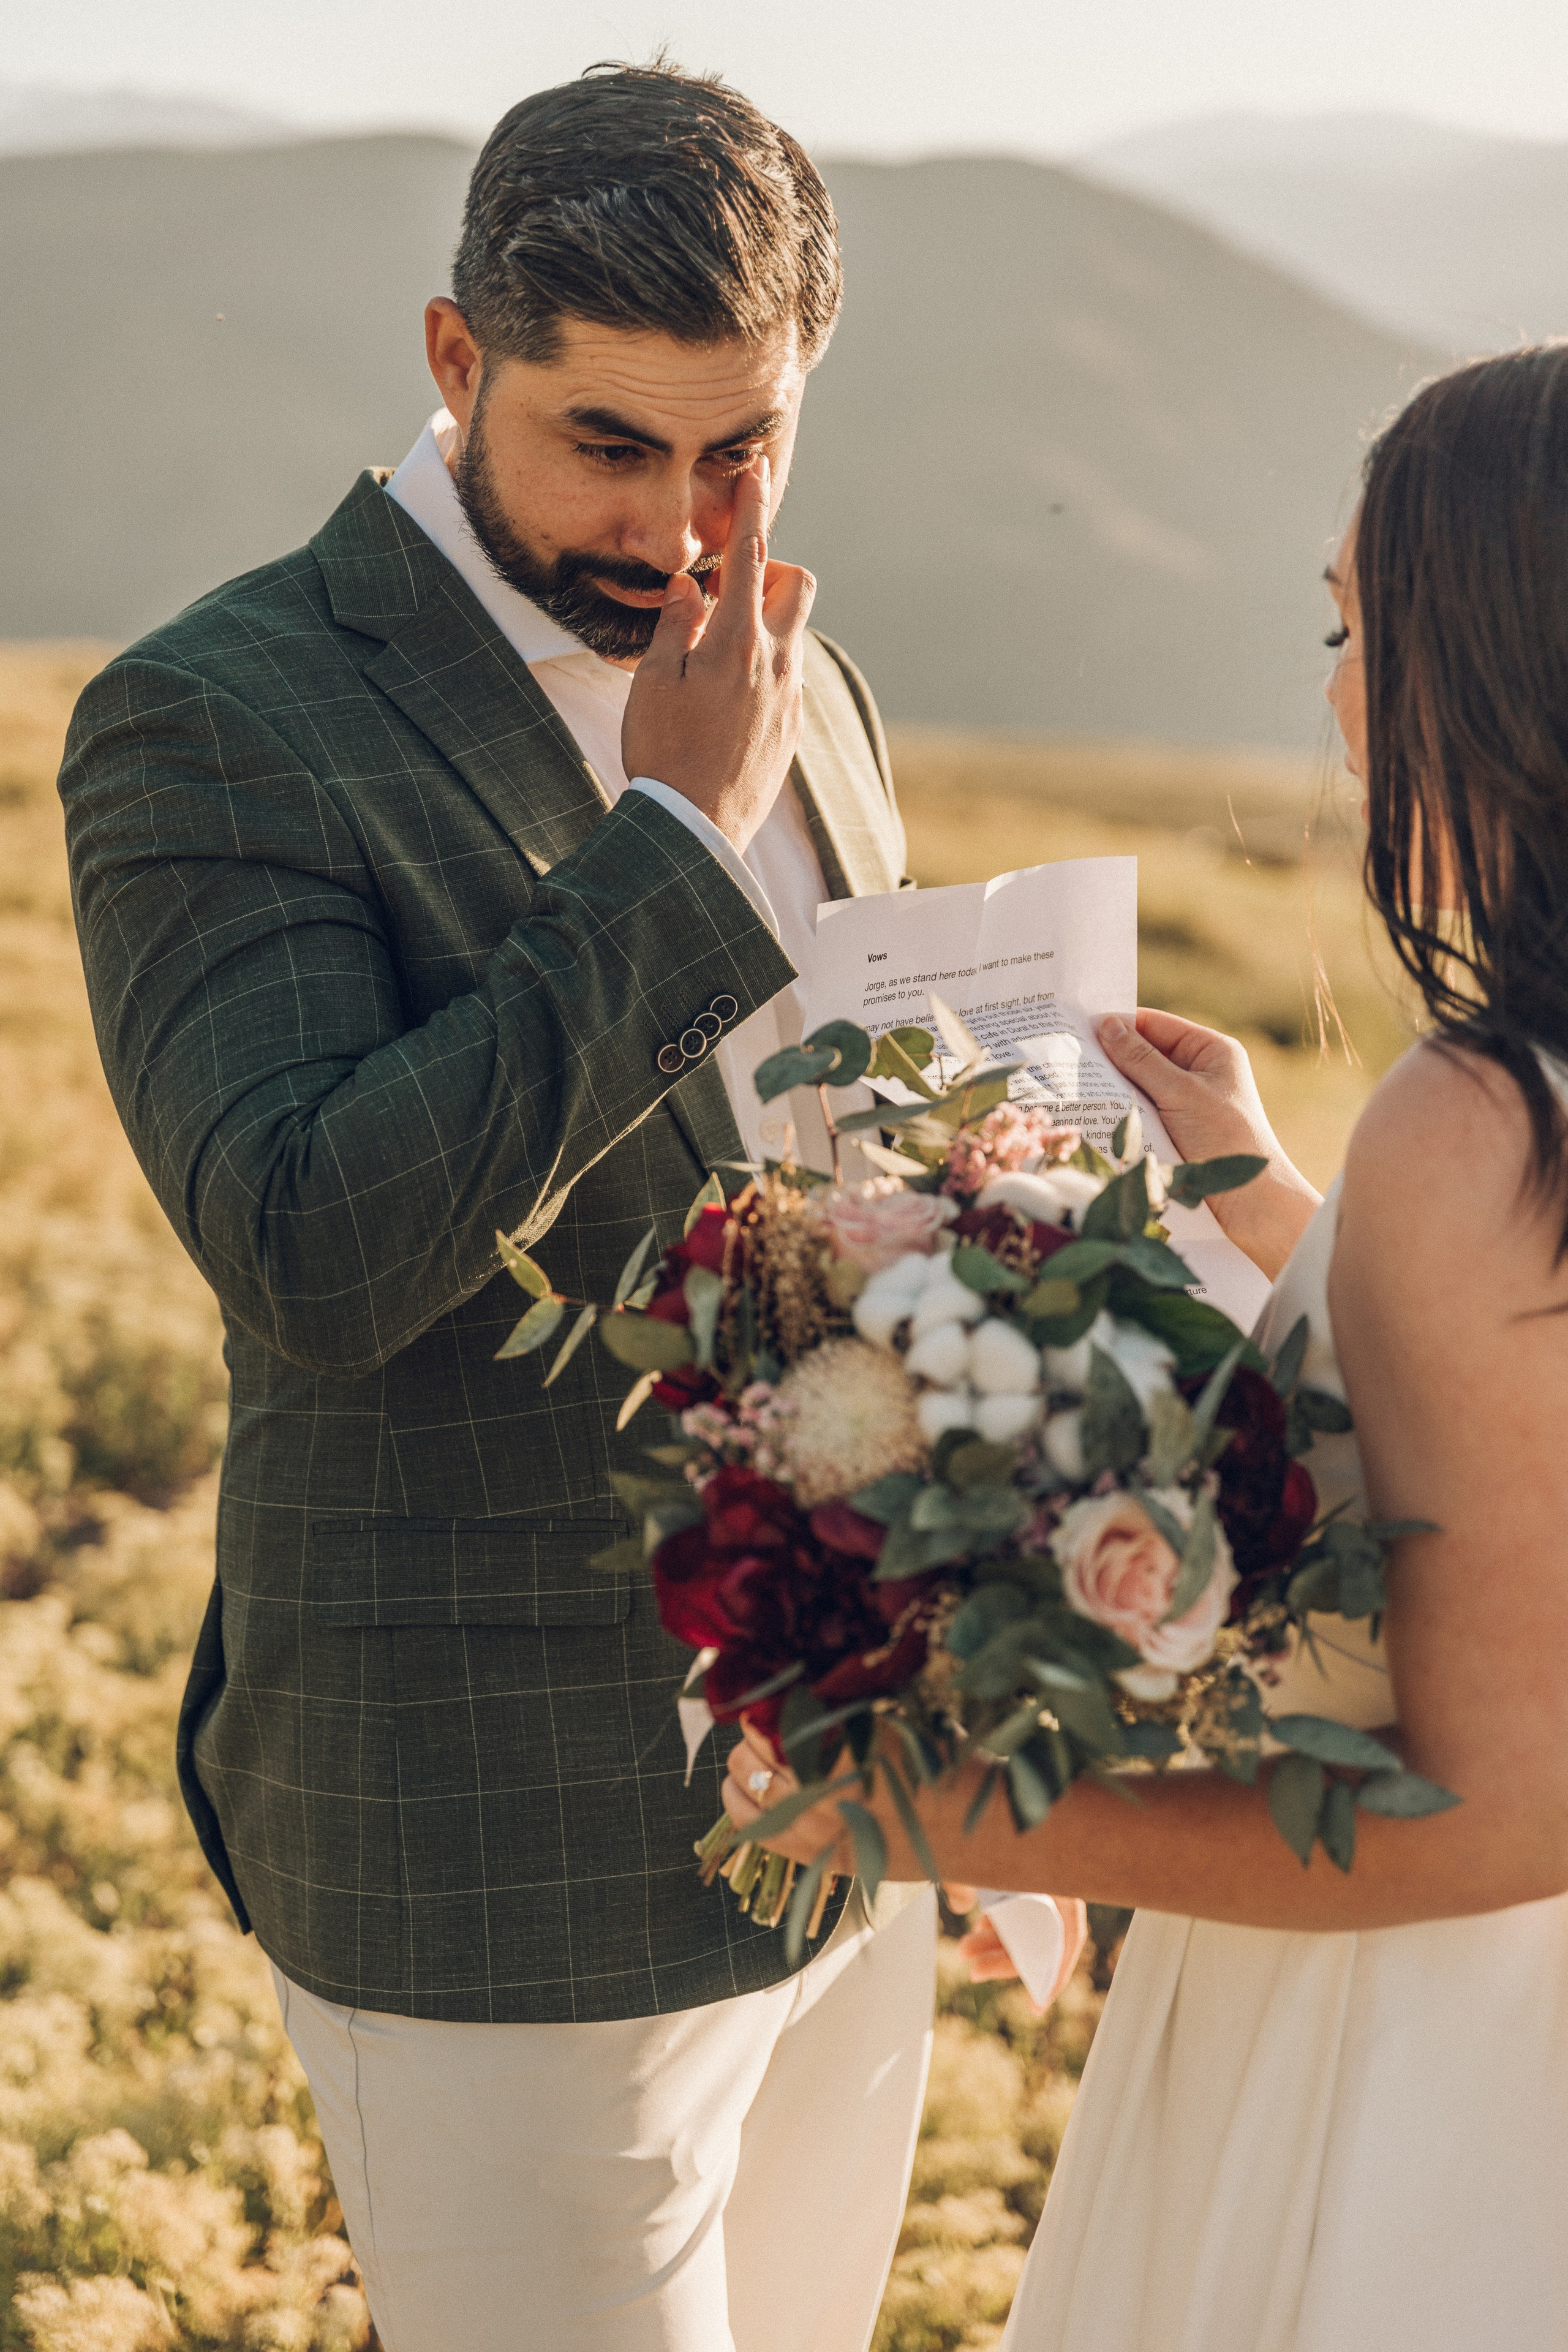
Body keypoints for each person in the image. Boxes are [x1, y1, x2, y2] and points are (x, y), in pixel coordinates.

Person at [59, 61, 936, 2352]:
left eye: (742, 447)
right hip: (496, 1852)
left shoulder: (808, 678)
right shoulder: (214, 717)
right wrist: (668, 849)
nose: (683, 525)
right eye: (609, 446)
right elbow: (311, 1243)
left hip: (857, 1792)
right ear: (455, 365)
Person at [723, 344, 1568, 2348]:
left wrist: (945, 1814)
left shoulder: (1478, 1125)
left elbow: (1507, 1805)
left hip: (1424, 2053)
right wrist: (1267, 1194)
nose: (1339, 689)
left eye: (1360, 625)